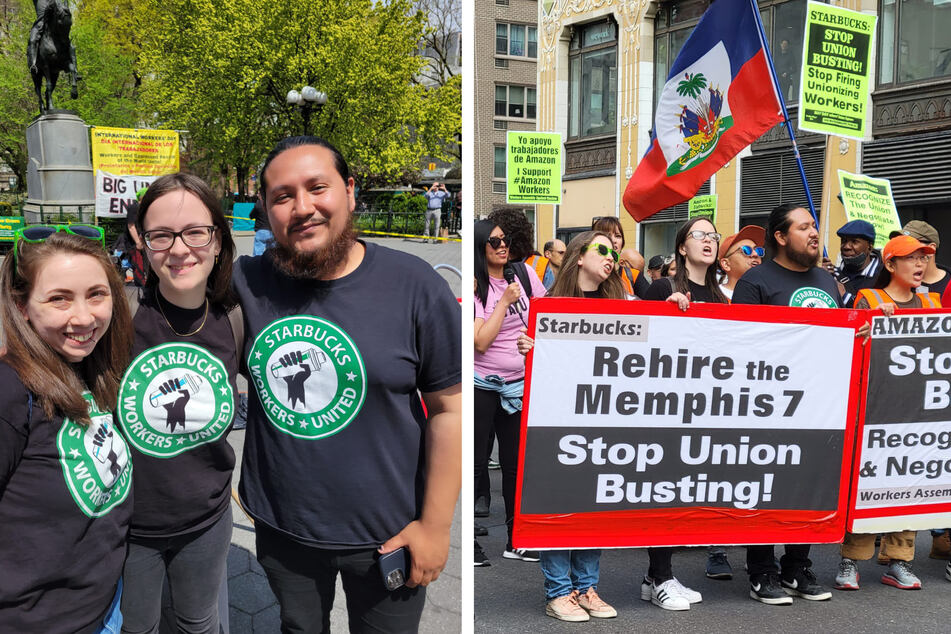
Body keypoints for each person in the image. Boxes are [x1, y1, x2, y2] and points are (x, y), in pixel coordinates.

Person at [231, 136, 461, 632]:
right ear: (266, 211)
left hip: (390, 534)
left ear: (350, 191)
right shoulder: (247, 283)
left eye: (318, 187)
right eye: (282, 196)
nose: (302, 207)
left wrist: (436, 527)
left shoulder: (416, 285)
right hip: (283, 530)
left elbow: (450, 409)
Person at [116, 173, 240, 634]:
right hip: (127, 525)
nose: (180, 248)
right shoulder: (118, 316)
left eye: (195, 231)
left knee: (197, 622)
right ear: (142, 241)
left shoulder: (235, 319)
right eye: (161, 234)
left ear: (217, 238)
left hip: (206, 520)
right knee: (137, 628)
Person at [0, 227, 134, 632]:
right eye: (59, 298)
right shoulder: (9, 389)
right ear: (22, 306)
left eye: (96, 294)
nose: (84, 317)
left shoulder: (95, 367)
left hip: (104, 607)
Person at [732, 203, 838, 605]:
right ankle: (762, 569)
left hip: (822, 404)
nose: (814, 233)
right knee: (767, 486)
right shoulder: (755, 281)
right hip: (771, 406)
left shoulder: (828, 282)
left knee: (808, 487)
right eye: (805, 227)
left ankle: (797, 565)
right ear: (780, 236)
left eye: (815, 227)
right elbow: (741, 346)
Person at [516, 231, 622, 622]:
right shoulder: (551, 307)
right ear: (578, 257)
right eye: (602, 250)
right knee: (559, 503)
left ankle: (586, 587)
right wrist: (530, 350)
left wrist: (675, 303)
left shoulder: (619, 306)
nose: (610, 257)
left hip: (605, 420)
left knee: (593, 504)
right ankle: (559, 591)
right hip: (558, 422)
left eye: (614, 252)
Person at [834, 234, 940, 593]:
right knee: (869, 485)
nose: (920, 265)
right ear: (891, 265)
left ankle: (900, 561)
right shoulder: (869, 299)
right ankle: (851, 559)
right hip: (876, 410)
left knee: (911, 483)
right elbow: (850, 343)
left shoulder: (932, 302)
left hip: (919, 412)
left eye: (924, 259)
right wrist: (871, 323)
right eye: (911, 259)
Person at [641, 217, 726, 610]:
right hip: (665, 408)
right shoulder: (663, 287)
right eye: (699, 236)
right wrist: (665, 311)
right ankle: (659, 575)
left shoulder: (722, 296)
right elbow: (640, 339)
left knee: (685, 493)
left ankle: (659, 576)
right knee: (663, 491)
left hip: (704, 409)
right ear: (681, 247)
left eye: (713, 236)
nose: (708, 241)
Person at [474, 219, 546, 565]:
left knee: (515, 464)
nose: (502, 246)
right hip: (482, 385)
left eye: (505, 240)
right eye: (493, 241)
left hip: (519, 385)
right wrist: (503, 302)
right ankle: (471, 542)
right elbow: (481, 342)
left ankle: (517, 539)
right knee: (475, 465)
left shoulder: (524, 274)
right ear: (480, 247)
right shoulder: (478, 286)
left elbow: (546, 315)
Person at [822, 219, 882, 307]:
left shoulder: (884, 276)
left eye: (854, 242)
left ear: (869, 247)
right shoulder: (832, 274)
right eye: (844, 241)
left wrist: (845, 297)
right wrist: (819, 276)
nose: (846, 247)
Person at [890, 220, 949, 297]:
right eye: (900, 243)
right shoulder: (893, 283)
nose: (903, 247)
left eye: (910, 243)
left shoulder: (948, 282)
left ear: (931, 248)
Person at [718, 225, 765, 300]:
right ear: (726, 264)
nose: (755, 254)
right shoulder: (713, 296)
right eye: (746, 250)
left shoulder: (768, 296)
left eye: (758, 251)